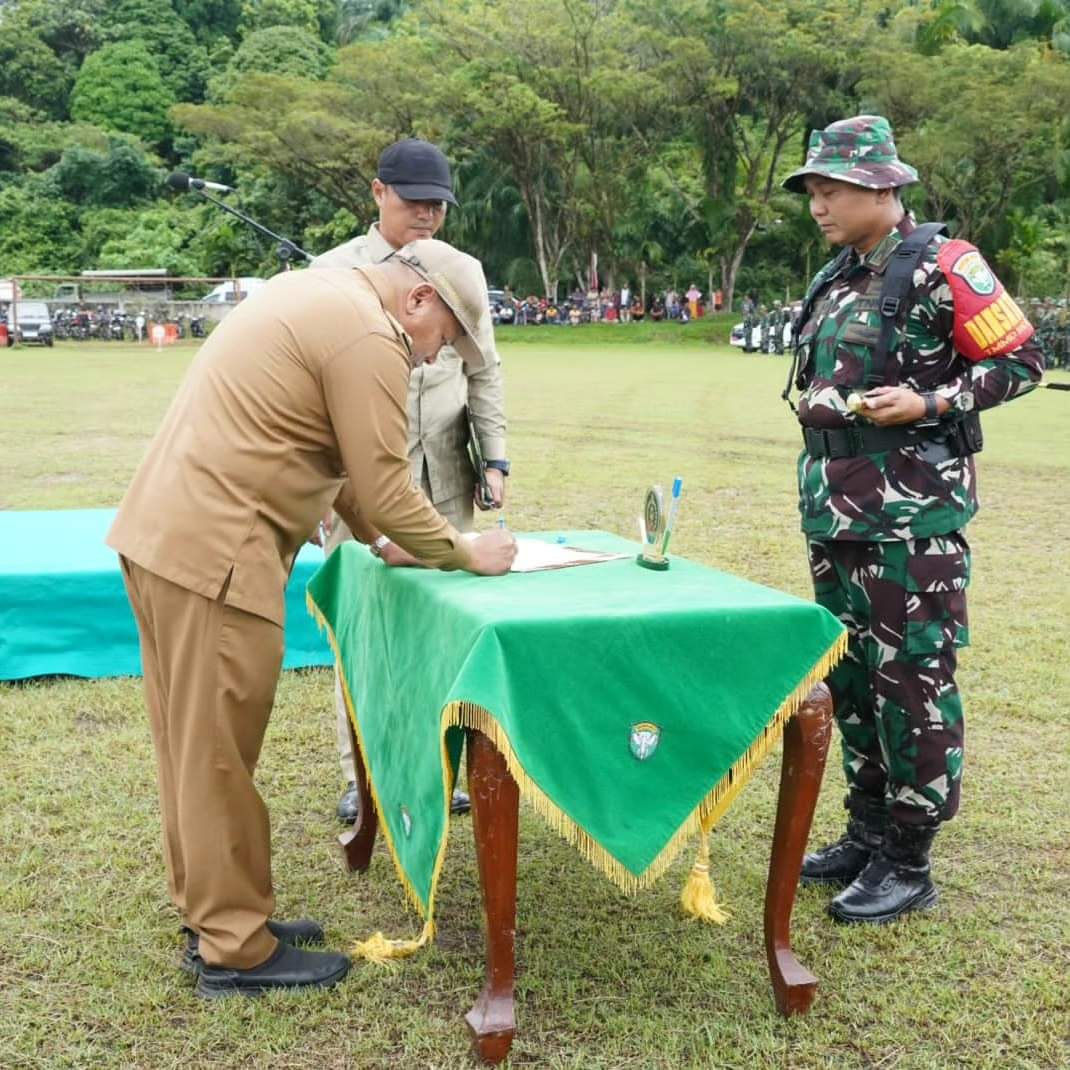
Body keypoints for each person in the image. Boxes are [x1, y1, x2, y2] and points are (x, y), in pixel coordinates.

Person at [108, 240, 518, 997]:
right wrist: (463, 551)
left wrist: (382, 541)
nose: (437, 360)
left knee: (191, 747)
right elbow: (386, 482)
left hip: (168, 540)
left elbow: (334, 464)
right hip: (217, 556)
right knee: (218, 754)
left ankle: (216, 914)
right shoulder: (369, 334)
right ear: (421, 303)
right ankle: (234, 946)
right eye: (446, 343)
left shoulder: (317, 296)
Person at [782, 115, 1043, 924]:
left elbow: (1022, 362)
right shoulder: (840, 273)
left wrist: (935, 400)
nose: (819, 204)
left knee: (912, 685)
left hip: (911, 522)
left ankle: (909, 857)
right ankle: (865, 833)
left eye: (834, 189)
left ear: (885, 188)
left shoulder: (943, 264)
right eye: (815, 191)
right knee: (851, 682)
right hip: (837, 514)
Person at [311, 139, 508, 824]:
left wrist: (497, 455)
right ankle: (359, 774)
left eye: (438, 206)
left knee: (443, 625)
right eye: (413, 202)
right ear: (377, 194)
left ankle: (437, 767)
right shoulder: (334, 272)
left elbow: (483, 368)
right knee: (362, 628)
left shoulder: (463, 272)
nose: (427, 216)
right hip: (359, 488)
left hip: (445, 476)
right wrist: (320, 491)